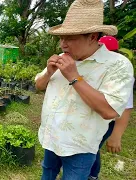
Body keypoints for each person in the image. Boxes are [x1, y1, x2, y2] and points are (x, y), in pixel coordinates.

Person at [34, 0, 134, 179]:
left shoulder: (117, 65)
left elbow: (109, 110)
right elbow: (38, 86)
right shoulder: (62, 58)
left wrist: (74, 77)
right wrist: (48, 73)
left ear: (93, 36)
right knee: (47, 172)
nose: (63, 45)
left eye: (70, 38)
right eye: (61, 38)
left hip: (79, 147)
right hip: (50, 137)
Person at [88, 36, 134, 180]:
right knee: (89, 146)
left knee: (91, 148)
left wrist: (116, 135)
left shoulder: (121, 72)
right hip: (91, 118)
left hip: (108, 121)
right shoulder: (95, 66)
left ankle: (91, 175)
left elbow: (126, 107)